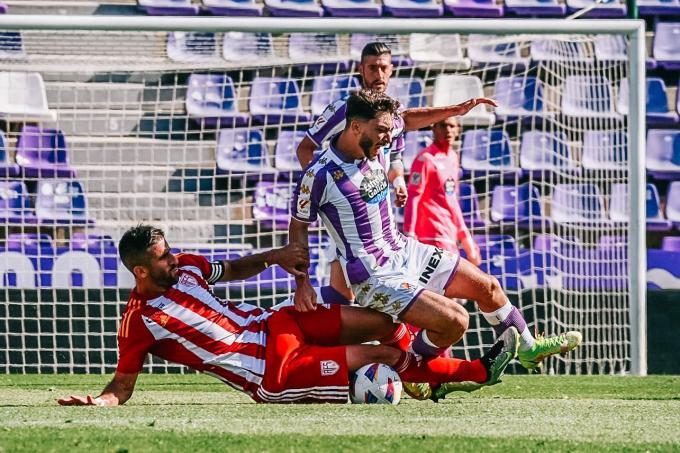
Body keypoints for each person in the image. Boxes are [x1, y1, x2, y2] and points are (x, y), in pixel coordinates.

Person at [288, 90, 582, 380]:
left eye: (389, 131)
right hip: (374, 275)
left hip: (405, 250)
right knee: (455, 320)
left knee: (488, 287)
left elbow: (408, 120)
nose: (388, 138)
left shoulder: (380, 139)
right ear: (355, 127)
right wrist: (303, 282)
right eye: (381, 131)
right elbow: (298, 229)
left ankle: (527, 348)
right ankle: (412, 372)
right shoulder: (318, 176)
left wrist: (455, 109)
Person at [57, 224, 517, 406]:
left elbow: (234, 268)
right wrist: (100, 403)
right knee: (383, 352)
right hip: (271, 371)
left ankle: (419, 373)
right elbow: (122, 386)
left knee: (386, 323)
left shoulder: (190, 268)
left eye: (170, 251)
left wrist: (276, 255)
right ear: (141, 270)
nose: (173, 259)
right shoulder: (139, 320)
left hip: (275, 323)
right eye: (162, 258)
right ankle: (476, 370)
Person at [296, 41, 494, 302]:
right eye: (372, 68)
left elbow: (396, 153)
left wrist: (398, 179)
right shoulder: (342, 109)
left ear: (392, 70)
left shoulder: (391, 115)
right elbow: (305, 149)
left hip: (379, 217)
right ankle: (292, 316)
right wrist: (330, 188)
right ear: (361, 70)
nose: (378, 75)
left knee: (360, 296)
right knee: (349, 295)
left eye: (383, 68)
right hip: (348, 217)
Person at [403, 116, 481, 265]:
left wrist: (466, 238)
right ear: (433, 129)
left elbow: (452, 201)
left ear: (458, 130)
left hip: (449, 235)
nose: (448, 130)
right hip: (430, 236)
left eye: (452, 126)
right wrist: (410, 233)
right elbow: (413, 197)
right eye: (443, 126)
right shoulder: (424, 159)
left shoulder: (453, 157)